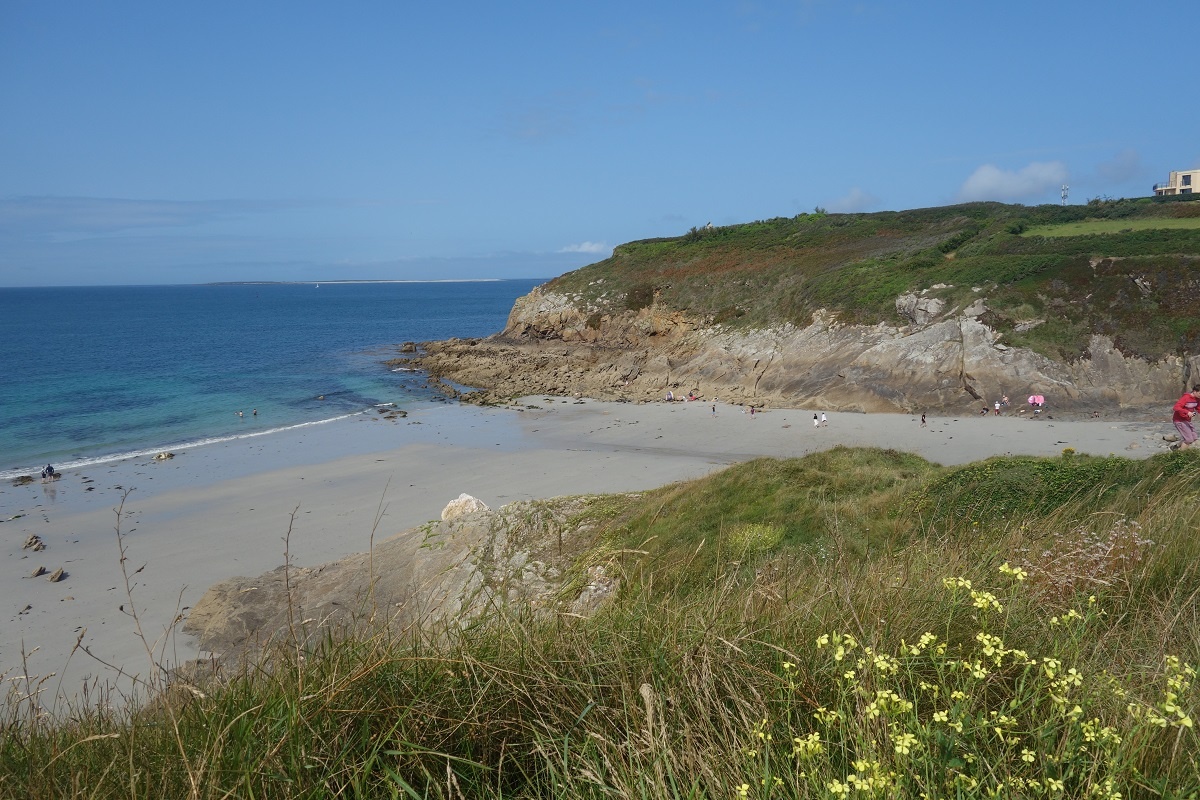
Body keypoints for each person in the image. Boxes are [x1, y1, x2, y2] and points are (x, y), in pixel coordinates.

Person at [1172, 385, 1200, 450]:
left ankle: (1175, 447)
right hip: (1179, 420)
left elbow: (1198, 408)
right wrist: (1187, 412)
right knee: (1189, 439)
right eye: (1199, 393)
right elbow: (1176, 407)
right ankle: (1181, 456)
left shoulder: (1197, 399)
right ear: (1194, 391)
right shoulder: (1186, 398)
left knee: (1194, 437)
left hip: (1187, 420)